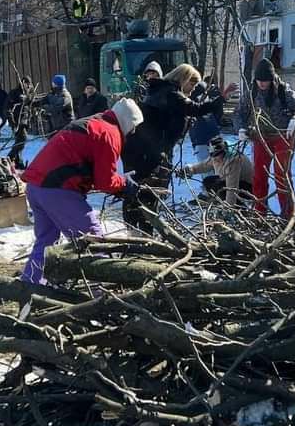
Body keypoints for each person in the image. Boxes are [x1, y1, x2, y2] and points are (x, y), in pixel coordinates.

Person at [20, 99, 144, 283]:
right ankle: (101, 288)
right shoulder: (110, 134)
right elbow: (105, 181)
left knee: (46, 241)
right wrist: (125, 185)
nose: (133, 131)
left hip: (37, 186)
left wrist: (119, 184)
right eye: (133, 126)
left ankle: (30, 285)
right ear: (127, 121)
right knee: (92, 239)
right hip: (57, 190)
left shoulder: (94, 122)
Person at [121, 64, 228, 232]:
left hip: (143, 149)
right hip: (150, 152)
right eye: (192, 85)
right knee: (150, 191)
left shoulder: (159, 90)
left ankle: (136, 228)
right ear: (184, 79)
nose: (192, 90)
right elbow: (195, 109)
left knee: (140, 189)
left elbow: (177, 115)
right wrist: (221, 99)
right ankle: (143, 230)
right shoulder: (170, 93)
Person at [235, 58, 295, 219]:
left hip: (283, 135)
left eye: (265, 80)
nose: (262, 83)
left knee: (281, 175)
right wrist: (240, 128)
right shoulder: (251, 93)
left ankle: (288, 215)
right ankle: (260, 214)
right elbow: (239, 113)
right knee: (259, 175)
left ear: (272, 78)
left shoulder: (284, 91)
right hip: (260, 137)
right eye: (259, 80)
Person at [180, 135, 254, 207]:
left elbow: (232, 187)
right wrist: (190, 169)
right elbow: (204, 165)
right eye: (213, 156)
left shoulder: (234, 161)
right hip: (230, 183)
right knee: (209, 181)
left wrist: (229, 208)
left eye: (217, 155)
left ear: (224, 151)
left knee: (221, 187)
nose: (215, 159)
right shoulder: (216, 157)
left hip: (248, 188)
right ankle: (217, 201)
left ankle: (238, 207)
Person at [187, 79, 223, 161]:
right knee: (206, 170)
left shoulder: (208, 107)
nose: (206, 95)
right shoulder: (194, 109)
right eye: (204, 93)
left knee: (220, 168)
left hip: (215, 139)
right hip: (201, 143)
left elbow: (218, 115)